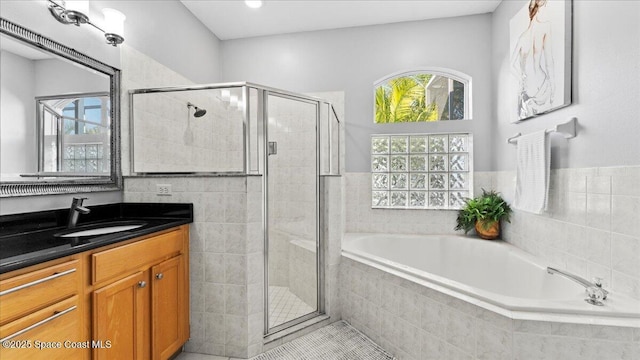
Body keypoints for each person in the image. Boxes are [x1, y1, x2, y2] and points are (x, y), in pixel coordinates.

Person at [511, 0, 555, 119]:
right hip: (543, 84)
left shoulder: (522, 38)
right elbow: (549, 61)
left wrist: (520, 77)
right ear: (540, 9)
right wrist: (553, 87)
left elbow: (511, 65)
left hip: (529, 88)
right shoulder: (545, 27)